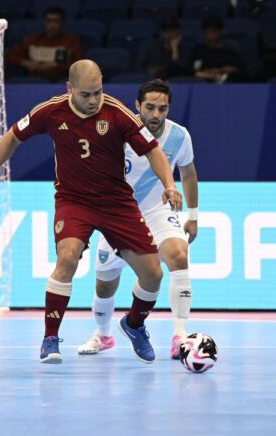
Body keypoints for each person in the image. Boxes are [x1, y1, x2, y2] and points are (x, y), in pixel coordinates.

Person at [0, 60, 183, 365]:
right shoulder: (51, 111)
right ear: (69, 89)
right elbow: (13, 136)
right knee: (67, 257)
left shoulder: (116, 112)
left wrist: (169, 184)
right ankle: (50, 338)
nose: (94, 101)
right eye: (86, 95)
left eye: (98, 92)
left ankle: (133, 324)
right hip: (73, 200)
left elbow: (152, 150)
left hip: (116, 201)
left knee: (153, 274)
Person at [76, 79, 199, 360]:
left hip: (158, 209)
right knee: (105, 283)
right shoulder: (116, 132)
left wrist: (193, 215)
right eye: (150, 107)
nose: (156, 115)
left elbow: (188, 173)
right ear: (137, 106)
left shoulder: (179, 136)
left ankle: (179, 336)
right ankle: (104, 335)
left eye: (163, 108)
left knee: (179, 255)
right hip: (118, 213)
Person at [6, 6, 84, 82]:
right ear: (44, 23)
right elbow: (10, 56)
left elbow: (79, 64)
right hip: (35, 81)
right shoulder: (33, 40)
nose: (52, 25)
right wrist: (26, 63)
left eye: (56, 21)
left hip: (60, 80)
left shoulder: (71, 41)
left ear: (62, 23)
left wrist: (56, 66)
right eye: (49, 21)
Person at [188, 16, 245, 83]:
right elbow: (189, 69)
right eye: (207, 32)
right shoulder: (197, 50)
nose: (210, 36)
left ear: (220, 32)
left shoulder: (229, 52)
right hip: (200, 84)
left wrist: (220, 70)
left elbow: (240, 70)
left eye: (213, 32)